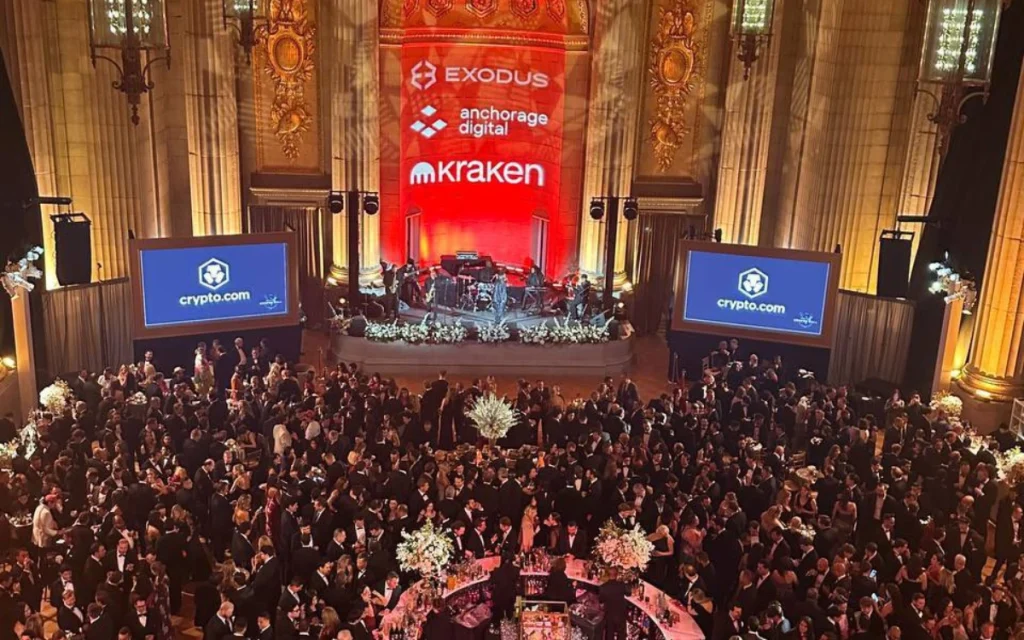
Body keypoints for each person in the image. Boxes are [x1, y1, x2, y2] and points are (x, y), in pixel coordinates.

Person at [599, 567, 629, 640]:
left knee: (609, 634)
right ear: (617, 575)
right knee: (621, 635)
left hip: (609, 615)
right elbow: (629, 593)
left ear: (608, 575)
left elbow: (601, 601)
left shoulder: (603, 587)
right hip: (620, 614)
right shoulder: (621, 585)